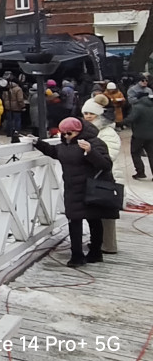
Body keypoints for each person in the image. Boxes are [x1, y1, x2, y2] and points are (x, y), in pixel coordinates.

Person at [31, 117, 112, 266]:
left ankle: (95, 252)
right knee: (74, 220)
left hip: (91, 189)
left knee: (94, 219)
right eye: (63, 134)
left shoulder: (94, 143)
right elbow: (54, 152)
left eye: (69, 134)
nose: (66, 136)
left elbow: (106, 165)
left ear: (78, 132)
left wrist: (90, 151)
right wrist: (37, 142)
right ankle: (77, 255)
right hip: (72, 189)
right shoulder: (64, 145)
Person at [82, 95, 122, 255]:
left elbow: (110, 155)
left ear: (99, 115)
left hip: (107, 176)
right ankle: (98, 242)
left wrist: (89, 155)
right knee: (96, 212)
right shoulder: (87, 131)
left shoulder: (108, 133)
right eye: (85, 113)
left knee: (107, 214)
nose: (88, 117)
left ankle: (109, 245)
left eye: (92, 114)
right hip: (92, 177)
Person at [124, 89, 153, 179]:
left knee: (135, 153)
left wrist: (119, 123)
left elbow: (131, 119)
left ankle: (140, 172)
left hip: (138, 135)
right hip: (151, 136)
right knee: (151, 155)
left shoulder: (137, 107)